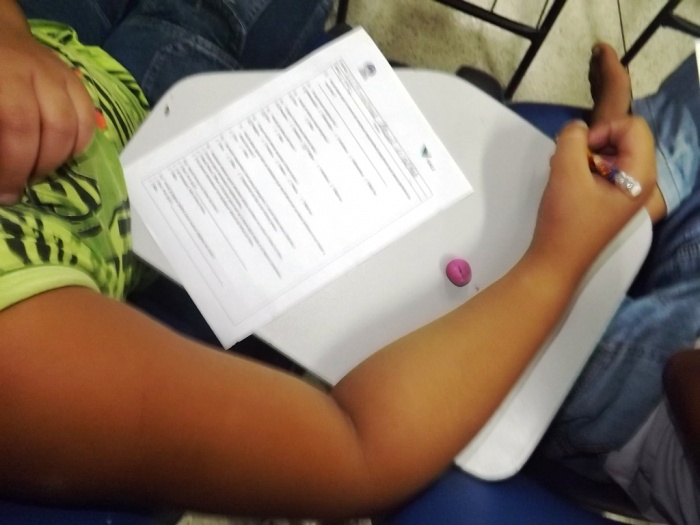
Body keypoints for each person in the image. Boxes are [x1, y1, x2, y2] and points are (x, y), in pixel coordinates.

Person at [0, 1, 657, 521]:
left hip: (56, 37)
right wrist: (558, 258)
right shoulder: (27, 368)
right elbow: (355, 447)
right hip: (158, 138)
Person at [518, 44, 700, 524]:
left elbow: (683, 374)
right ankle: (619, 176)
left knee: (510, 291)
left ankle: (614, 169)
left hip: (657, 410)